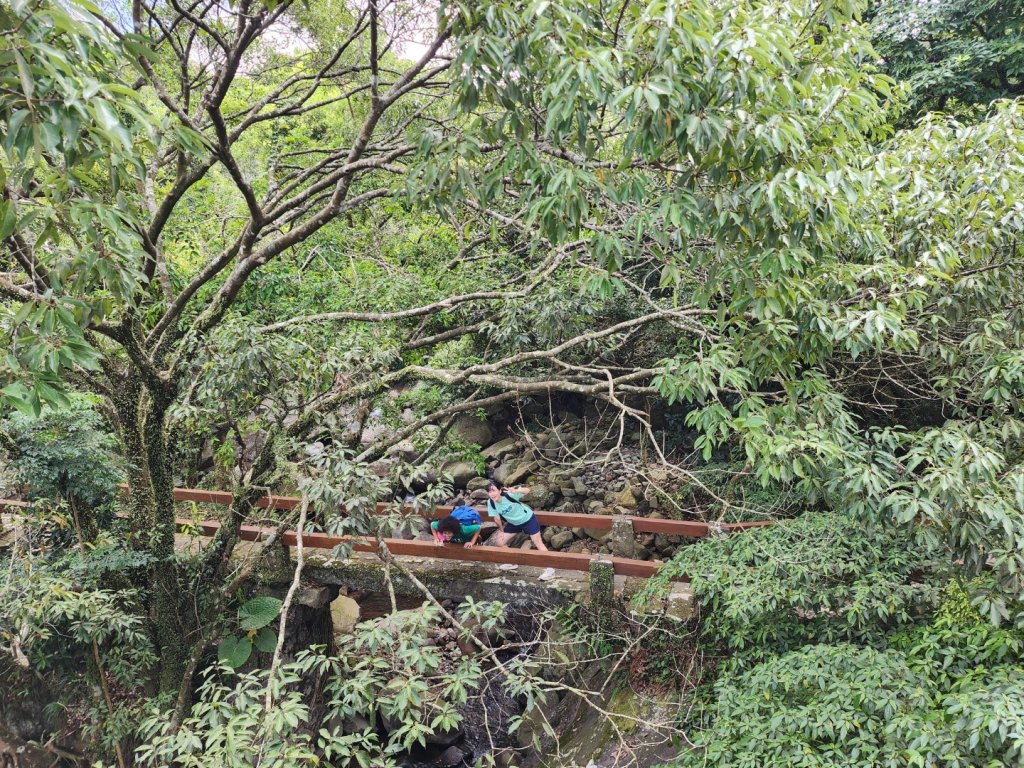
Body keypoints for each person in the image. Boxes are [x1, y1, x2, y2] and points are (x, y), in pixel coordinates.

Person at [485, 480, 548, 551]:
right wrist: (501, 530)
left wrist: (516, 491)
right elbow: (496, 518)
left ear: (499, 491)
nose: (492, 494)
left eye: (494, 491)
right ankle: (513, 558)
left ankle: (550, 561)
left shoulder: (509, 495)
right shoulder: (490, 503)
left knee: (538, 543)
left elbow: (527, 490)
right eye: (490, 492)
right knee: (499, 542)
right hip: (514, 523)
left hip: (528, 520)